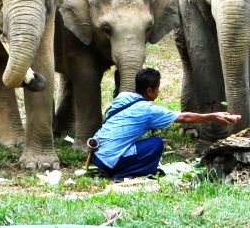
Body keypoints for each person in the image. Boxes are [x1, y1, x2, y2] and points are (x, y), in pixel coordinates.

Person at [90, 68, 240, 180]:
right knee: (156, 144)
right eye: (158, 88)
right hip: (110, 161)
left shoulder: (123, 96)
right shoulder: (148, 110)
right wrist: (213, 116)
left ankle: (117, 168)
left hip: (96, 155)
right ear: (150, 91)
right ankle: (124, 174)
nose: (159, 91)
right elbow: (184, 118)